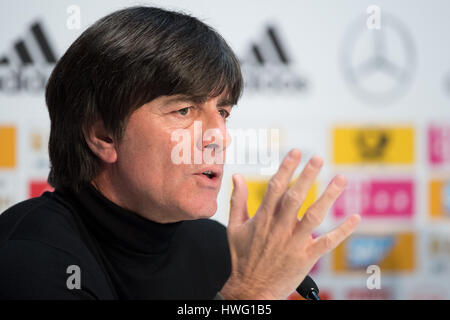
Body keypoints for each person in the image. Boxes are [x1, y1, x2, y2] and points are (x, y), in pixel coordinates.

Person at [0, 6, 360, 300]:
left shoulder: (221, 249)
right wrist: (249, 295)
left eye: (223, 113)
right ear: (103, 135)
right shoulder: (31, 259)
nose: (219, 136)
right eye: (183, 111)